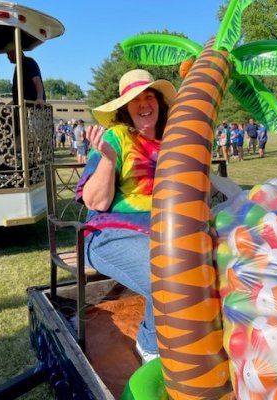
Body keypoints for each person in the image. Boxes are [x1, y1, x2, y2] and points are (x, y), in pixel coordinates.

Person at [75, 69, 177, 364]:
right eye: (135, 99)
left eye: (149, 96)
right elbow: (97, 201)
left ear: (159, 102)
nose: (144, 103)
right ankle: (152, 348)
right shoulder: (116, 137)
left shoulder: (172, 141)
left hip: (165, 234)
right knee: (167, 276)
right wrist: (108, 159)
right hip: (110, 234)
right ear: (125, 108)